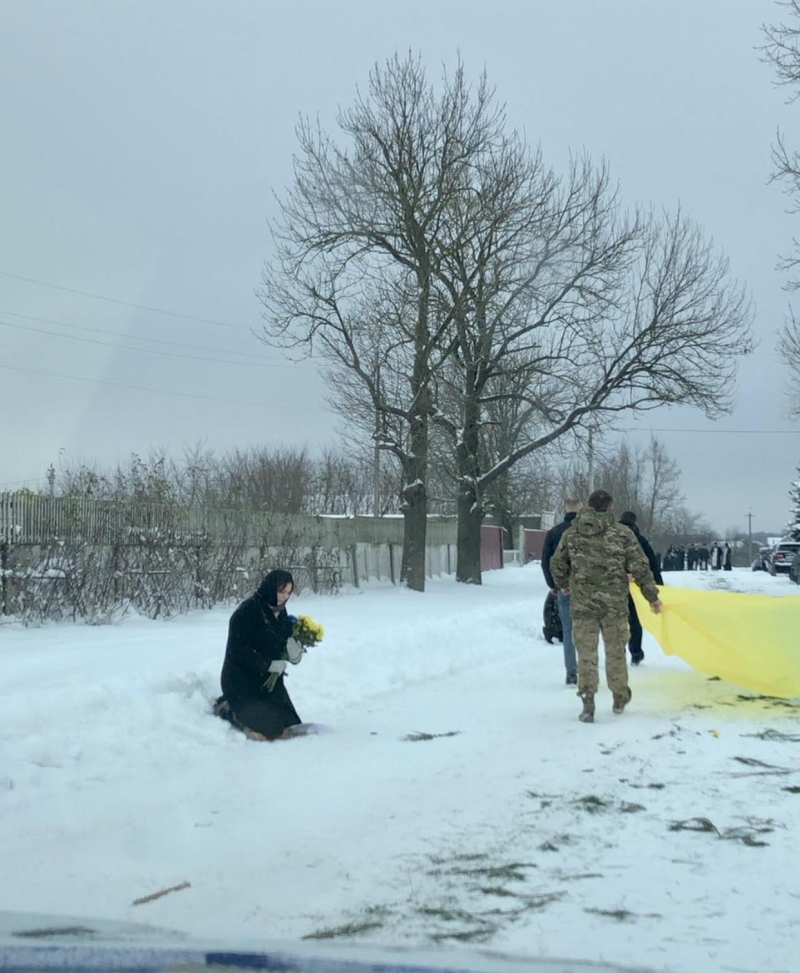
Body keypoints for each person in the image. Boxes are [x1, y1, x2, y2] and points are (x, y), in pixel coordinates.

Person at [550, 490, 662, 724]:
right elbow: (640, 566)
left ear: (588, 506)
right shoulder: (622, 534)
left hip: (582, 605)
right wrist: (652, 596)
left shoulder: (572, 534)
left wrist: (563, 585)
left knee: (586, 653)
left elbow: (557, 564)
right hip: (614, 606)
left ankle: (588, 701)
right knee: (615, 651)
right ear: (610, 507)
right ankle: (619, 696)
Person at [214, 569, 303, 740]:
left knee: (290, 726)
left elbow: (281, 642)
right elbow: (238, 650)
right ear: (270, 588)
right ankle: (227, 709)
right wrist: (268, 664)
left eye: (288, 592)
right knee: (270, 730)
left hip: (267, 681)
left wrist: (294, 653)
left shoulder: (281, 612)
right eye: (281, 591)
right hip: (241, 681)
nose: (284, 597)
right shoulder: (247, 612)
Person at [541, 498, 583, 685]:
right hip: (585, 588)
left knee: (568, 631)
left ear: (565, 509)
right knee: (587, 630)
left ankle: (571, 673)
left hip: (564, 588)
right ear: (581, 509)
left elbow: (546, 561)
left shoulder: (554, 532)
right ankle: (588, 669)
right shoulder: (586, 531)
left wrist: (554, 585)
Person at [618, 511, 664, 666]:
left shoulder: (612, 538)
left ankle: (618, 653)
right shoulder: (640, 540)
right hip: (637, 588)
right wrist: (658, 587)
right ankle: (636, 652)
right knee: (635, 621)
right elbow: (652, 564)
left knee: (617, 621)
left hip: (615, 587)